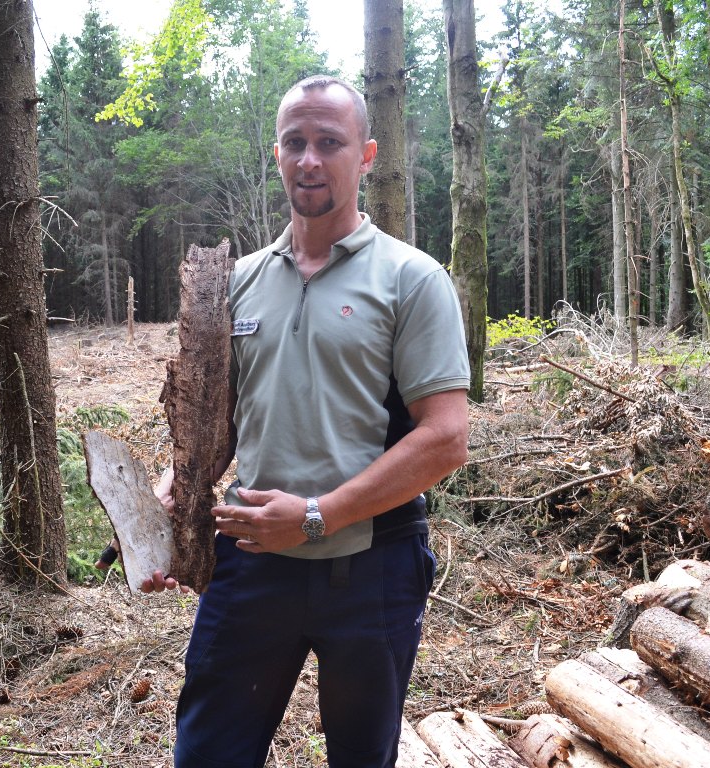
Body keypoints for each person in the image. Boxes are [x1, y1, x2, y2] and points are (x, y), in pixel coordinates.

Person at [143, 75, 470, 768]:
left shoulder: (410, 279)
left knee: (361, 757)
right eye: (296, 143)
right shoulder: (239, 282)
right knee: (207, 754)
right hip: (252, 566)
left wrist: (317, 515)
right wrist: (175, 492)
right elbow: (220, 419)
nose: (310, 159)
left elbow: (445, 438)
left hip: (372, 568)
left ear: (367, 154)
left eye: (330, 142)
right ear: (277, 154)